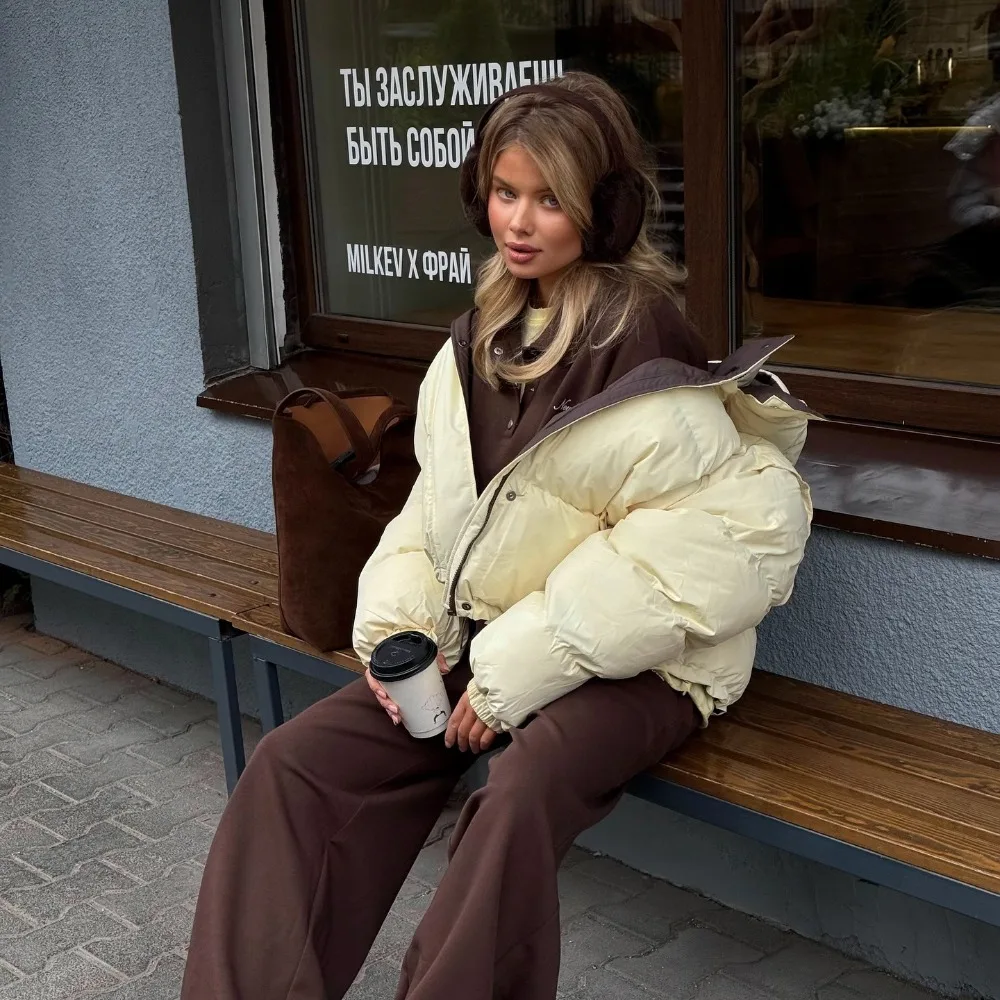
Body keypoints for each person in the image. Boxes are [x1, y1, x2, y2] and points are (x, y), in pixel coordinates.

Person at [180, 71, 814, 1000]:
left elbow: (714, 551)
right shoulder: (479, 336)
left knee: (514, 795)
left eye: (549, 199)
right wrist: (403, 637)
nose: (519, 221)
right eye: (506, 191)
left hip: (650, 665)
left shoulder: (647, 347)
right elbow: (436, 506)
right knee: (296, 767)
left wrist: (516, 668)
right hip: (492, 645)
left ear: (600, 210)